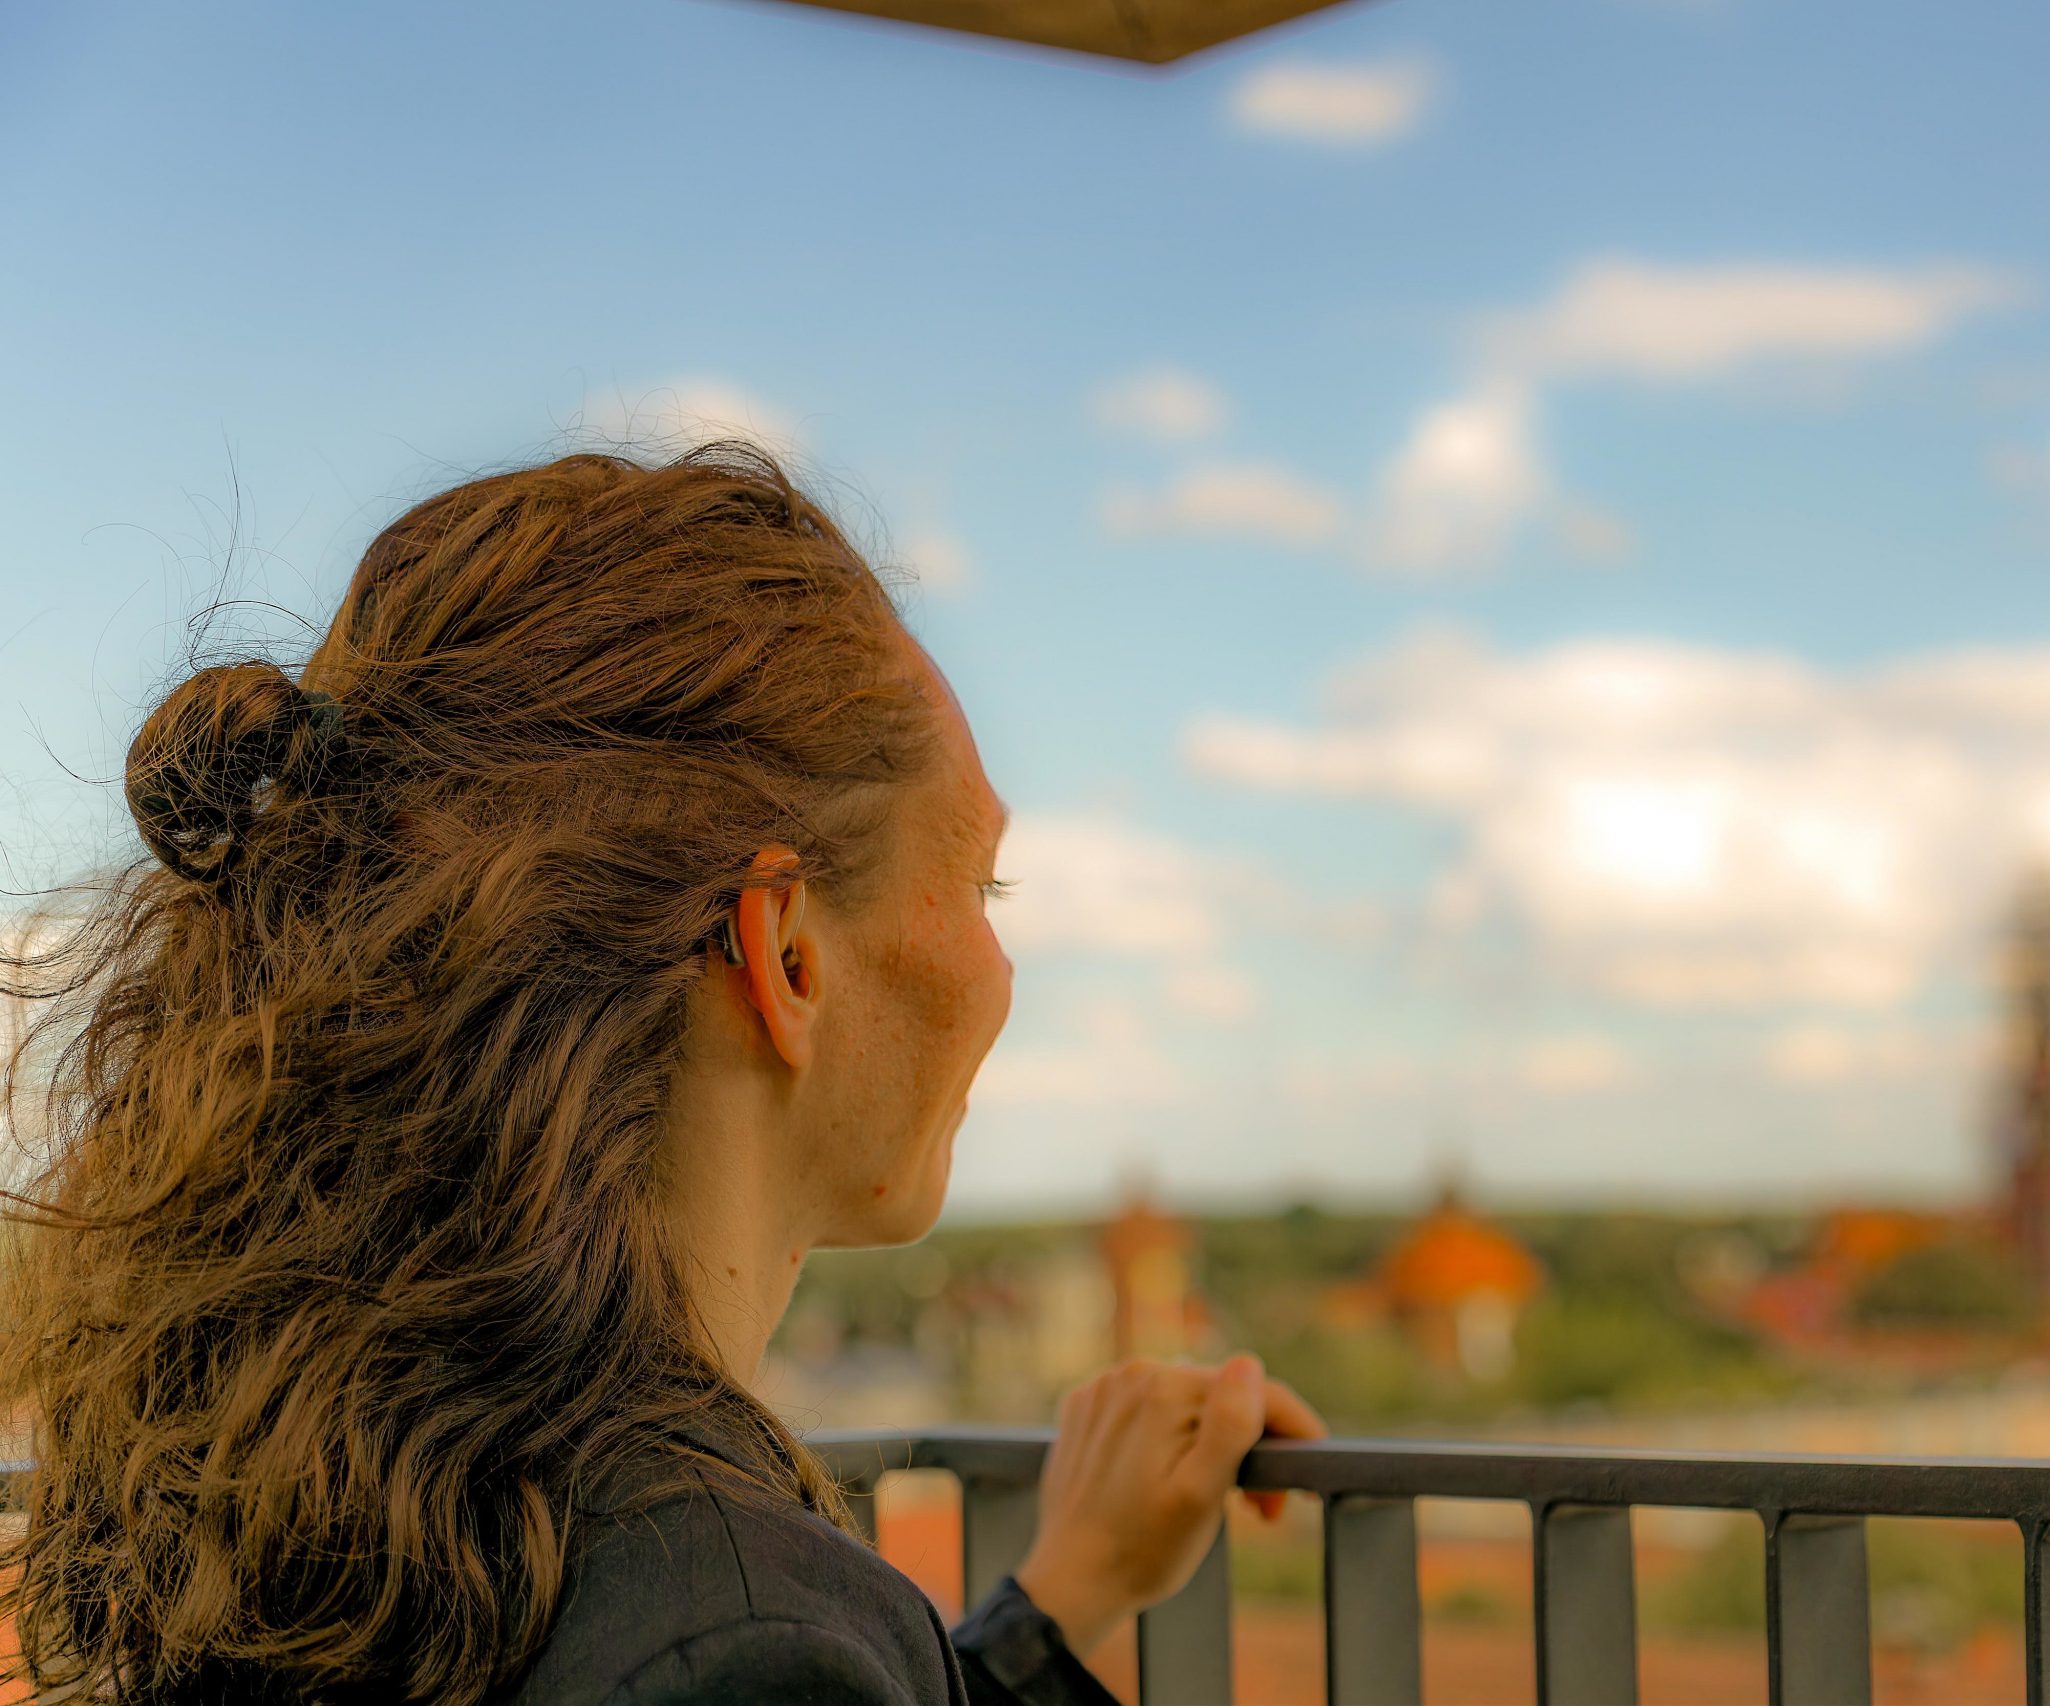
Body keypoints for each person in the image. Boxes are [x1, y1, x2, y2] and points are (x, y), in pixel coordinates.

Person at [0, 445, 1326, 1705]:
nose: (1001, 967)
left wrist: (1054, 1605)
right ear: (786, 955)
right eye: (985, 881)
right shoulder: (736, 1628)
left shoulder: (387, 1484)